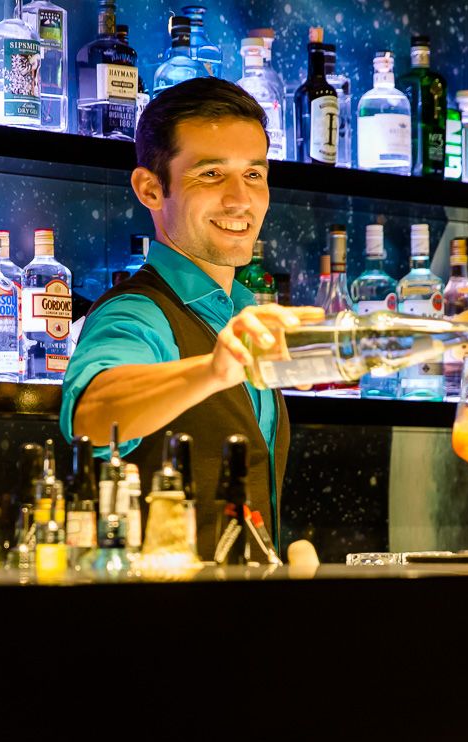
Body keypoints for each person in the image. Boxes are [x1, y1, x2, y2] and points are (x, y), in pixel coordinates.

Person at [60, 77, 320, 559]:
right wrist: (212, 370)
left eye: (255, 175)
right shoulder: (136, 312)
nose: (241, 200)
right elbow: (93, 417)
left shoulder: (246, 313)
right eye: (211, 174)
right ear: (150, 189)